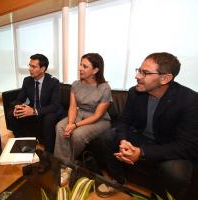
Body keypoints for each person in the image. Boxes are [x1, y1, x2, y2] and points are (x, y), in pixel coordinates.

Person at [96, 52, 198, 199]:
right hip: (140, 138)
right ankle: (118, 180)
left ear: (165, 78)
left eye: (145, 73)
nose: (137, 76)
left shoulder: (190, 101)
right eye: (139, 70)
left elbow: (187, 146)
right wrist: (124, 141)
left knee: (176, 171)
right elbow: (123, 122)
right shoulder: (135, 93)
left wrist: (142, 152)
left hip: (168, 146)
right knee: (108, 136)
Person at [54, 53, 112, 166]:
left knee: (77, 134)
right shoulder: (76, 84)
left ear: (95, 70)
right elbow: (72, 107)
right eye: (80, 65)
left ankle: (70, 163)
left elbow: (97, 115)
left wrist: (75, 126)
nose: (80, 68)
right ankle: (61, 163)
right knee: (61, 127)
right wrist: (70, 123)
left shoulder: (105, 88)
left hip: (99, 120)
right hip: (79, 114)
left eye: (84, 66)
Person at [7, 53, 63, 152]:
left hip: (50, 110)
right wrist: (17, 107)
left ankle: (48, 153)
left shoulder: (53, 82)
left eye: (33, 66)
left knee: (48, 119)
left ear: (43, 69)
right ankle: (23, 145)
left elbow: (55, 105)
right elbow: (19, 99)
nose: (30, 69)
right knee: (11, 114)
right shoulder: (27, 80)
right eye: (30, 65)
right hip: (34, 108)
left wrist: (34, 111)